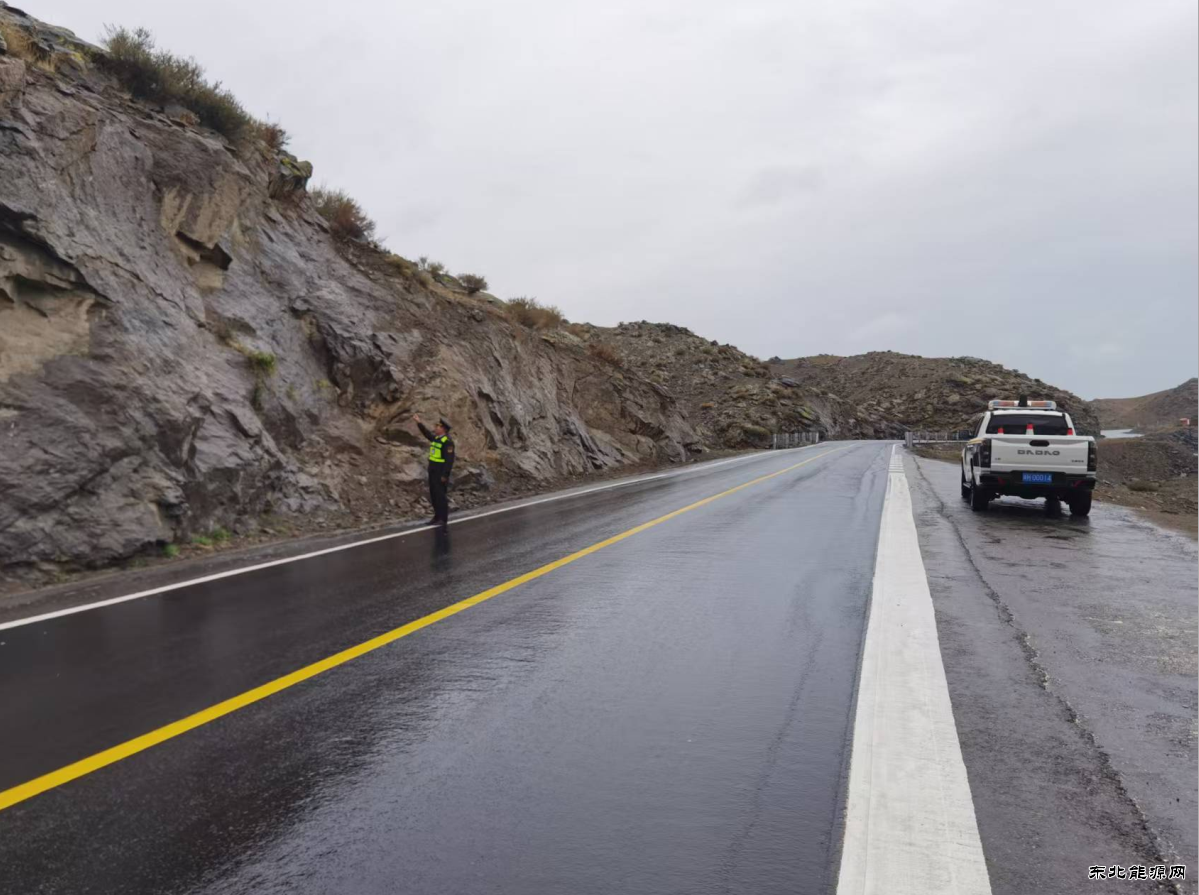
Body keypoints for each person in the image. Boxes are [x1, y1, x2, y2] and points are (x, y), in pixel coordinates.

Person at [413, 413, 455, 525]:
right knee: (434, 494)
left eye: (438, 426)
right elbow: (426, 433)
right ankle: (437, 516)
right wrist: (419, 422)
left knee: (440, 495)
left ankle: (443, 518)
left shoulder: (447, 442)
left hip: (440, 472)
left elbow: (449, 460)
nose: (435, 428)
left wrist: (445, 475)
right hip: (432, 470)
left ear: (443, 429)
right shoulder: (436, 438)